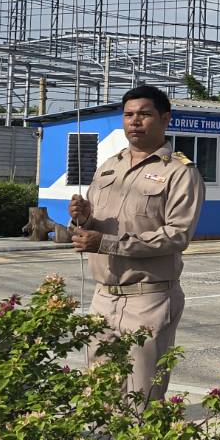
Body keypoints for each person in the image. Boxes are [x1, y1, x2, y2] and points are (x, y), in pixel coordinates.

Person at [69, 84, 204, 402]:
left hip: (149, 299)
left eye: (144, 114)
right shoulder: (109, 166)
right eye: (128, 115)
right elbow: (95, 227)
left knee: (140, 396)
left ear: (165, 119)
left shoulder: (179, 172)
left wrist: (107, 243)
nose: (134, 121)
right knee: (99, 392)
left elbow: (177, 235)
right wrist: (84, 218)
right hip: (103, 296)